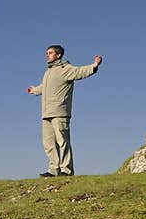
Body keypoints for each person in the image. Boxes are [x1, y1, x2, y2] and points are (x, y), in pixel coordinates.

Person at [26, 45, 103, 177]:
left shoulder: (65, 69)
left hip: (60, 112)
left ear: (59, 55)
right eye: (46, 53)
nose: (47, 55)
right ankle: (53, 169)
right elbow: (44, 87)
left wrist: (94, 66)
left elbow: (80, 72)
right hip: (46, 113)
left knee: (63, 141)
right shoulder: (48, 72)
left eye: (50, 53)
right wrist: (34, 90)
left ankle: (66, 170)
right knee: (48, 143)